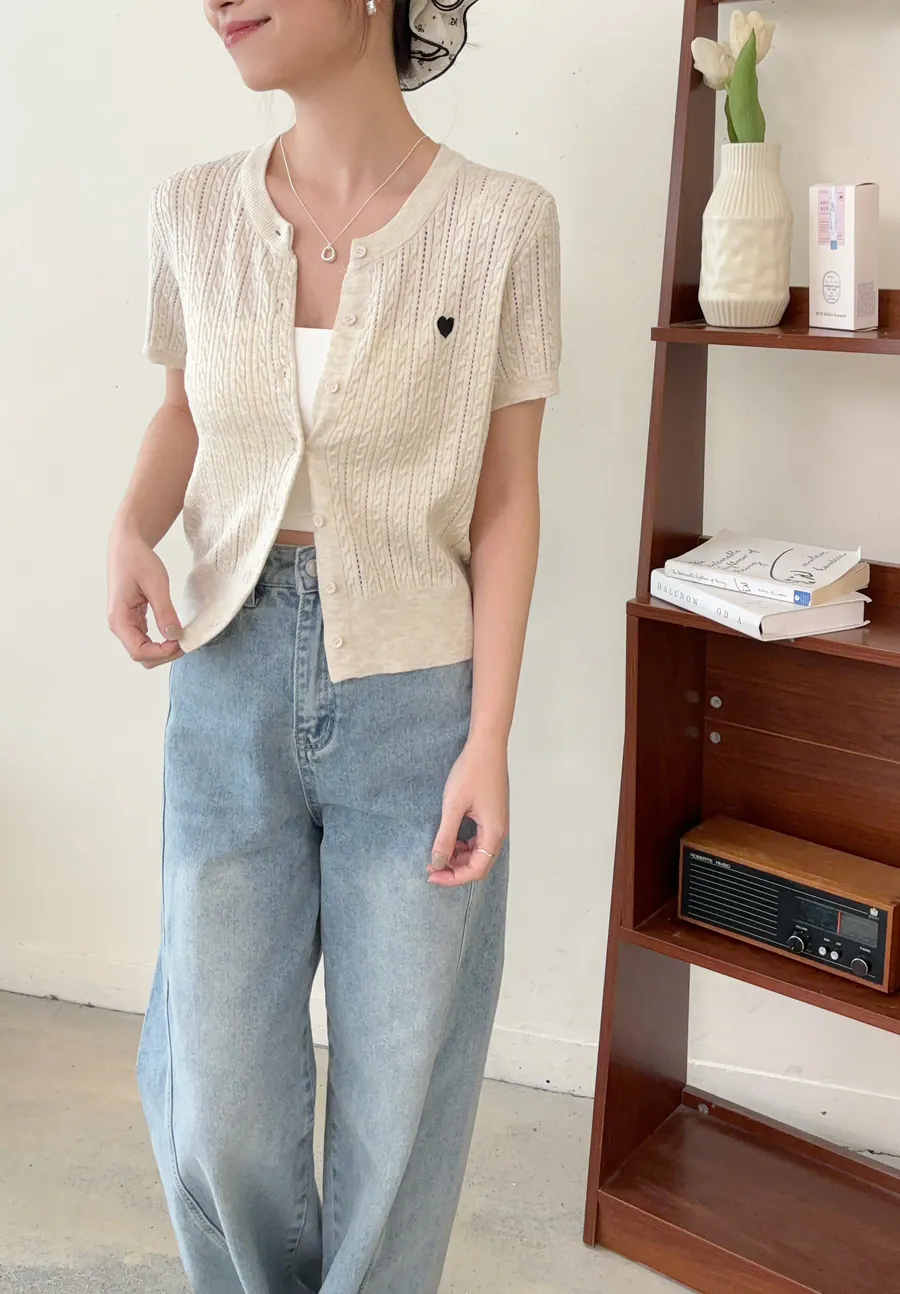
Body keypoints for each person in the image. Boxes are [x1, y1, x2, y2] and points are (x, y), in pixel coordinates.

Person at [107, 1, 561, 1291]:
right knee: (216, 1101)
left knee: (401, 1093)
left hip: (417, 700)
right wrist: (132, 526)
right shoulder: (195, 209)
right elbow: (186, 409)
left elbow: (507, 496)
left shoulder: (503, 223)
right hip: (227, 680)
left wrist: (488, 738)